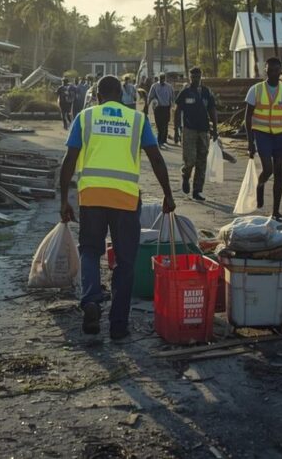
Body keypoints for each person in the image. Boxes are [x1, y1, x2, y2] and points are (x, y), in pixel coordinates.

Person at [59, 75, 176, 340]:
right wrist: (168, 195)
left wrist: (64, 199)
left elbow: (69, 160)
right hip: (125, 199)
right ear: (121, 95)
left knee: (90, 251)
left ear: (98, 96)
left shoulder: (85, 117)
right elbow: (156, 158)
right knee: (125, 261)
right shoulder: (136, 119)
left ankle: (91, 300)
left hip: (92, 197)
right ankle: (118, 325)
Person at [244, 57, 282, 220]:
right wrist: (250, 142)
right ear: (265, 71)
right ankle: (260, 185)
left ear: (281, 71)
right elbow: (248, 116)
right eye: (270, 70)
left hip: (280, 136)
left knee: (279, 172)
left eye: (276, 70)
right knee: (268, 169)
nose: (273, 73)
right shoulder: (256, 90)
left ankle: (275, 211)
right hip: (262, 134)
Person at [173, 67, 218, 201]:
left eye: (198, 77)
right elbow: (177, 111)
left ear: (201, 77)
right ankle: (186, 176)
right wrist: (176, 130)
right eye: (193, 77)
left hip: (203, 130)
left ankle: (197, 190)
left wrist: (215, 129)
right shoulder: (185, 92)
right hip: (189, 130)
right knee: (190, 160)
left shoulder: (206, 92)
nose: (196, 79)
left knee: (201, 161)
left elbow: (212, 110)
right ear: (190, 78)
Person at [147, 74, 174, 149]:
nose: (162, 79)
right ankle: (159, 140)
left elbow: (172, 97)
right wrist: (147, 105)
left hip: (166, 107)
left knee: (165, 124)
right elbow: (150, 96)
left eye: (163, 78)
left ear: (165, 78)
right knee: (159, 124)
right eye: (161, 78)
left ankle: (163, 140)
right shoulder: (154, 86)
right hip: (158, 108)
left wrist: (173, 105)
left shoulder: (169, 86)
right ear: (159, 78)